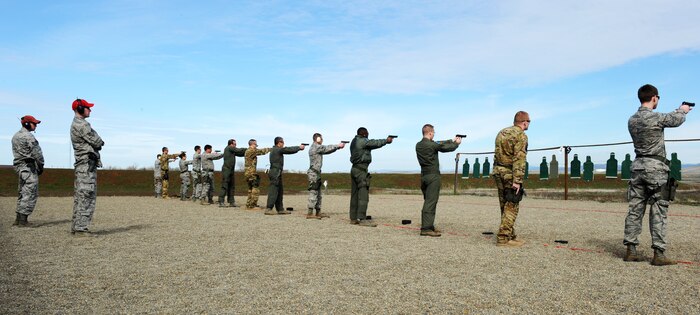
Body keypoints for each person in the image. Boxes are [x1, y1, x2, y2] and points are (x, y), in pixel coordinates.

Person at [624, 84, 692, 266]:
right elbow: (675, 120)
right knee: (659, 209)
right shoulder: (655, 117)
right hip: (655, 168)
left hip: (637, 167)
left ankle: (631, 250)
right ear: (654, 98)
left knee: (635, 208)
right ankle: (658, 254)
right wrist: (683, 109)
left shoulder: (632, 120)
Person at [492, 111, 530, 247]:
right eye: (529, 121)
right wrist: (517, 180)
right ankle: (503, 238)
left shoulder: (501, 133)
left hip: (498, 171)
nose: (529, 124)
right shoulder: (521, 135)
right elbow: (519, 158)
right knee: (512, 205)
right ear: (524, 122)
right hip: (510, 173)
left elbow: (497, 154)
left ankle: (509, 234)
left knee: (504, 204)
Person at [415, 124, 461, 236]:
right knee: (431, 202)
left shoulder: (419, 145)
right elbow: (445, 148)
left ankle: (429, 225)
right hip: (433, 177)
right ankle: (426, 228)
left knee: (429, 201)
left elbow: (438, 143)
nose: (434, 134)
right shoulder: (431, 145)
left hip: (424, 176)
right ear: (430, 133)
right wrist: (456, 144)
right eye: (433, 132)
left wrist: (451, 139)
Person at [70, 98, 104, 235]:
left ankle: (77, 227)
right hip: (86, 165)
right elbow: (98, 142)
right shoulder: (82, 125)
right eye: (87, 107)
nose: (90, 110)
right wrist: (99, 141)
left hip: (84, 164)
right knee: (86, 195)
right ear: (80, 109)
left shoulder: (79, 124)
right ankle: (80, 228)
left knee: (81, 196)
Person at [349, 127, 393, 227]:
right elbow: (374, 143)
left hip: (355, 169)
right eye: (367, 133)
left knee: (355, 195)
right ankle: (362, 218)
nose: (368, 135)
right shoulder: (362, 141)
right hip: (361, 171)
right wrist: (386, 141)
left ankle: (353, 218)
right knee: (363, 195)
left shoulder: (354, 141)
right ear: (364, 134)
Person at [11, 115, 44, 226]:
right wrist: (41, 166)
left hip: (19, 167)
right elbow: (37, 154)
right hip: (29, 167)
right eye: (34, 123)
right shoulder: (28, 136)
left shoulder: (15, 136)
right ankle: (23, 220)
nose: (35, 126)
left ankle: (18, 219)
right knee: (30, 193)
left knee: (22, 192)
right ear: (27, 124)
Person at [306, 133, 344, 219]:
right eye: (321, 138)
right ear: (318, 139)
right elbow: (326, 149)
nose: (322, 140)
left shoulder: (317, 147)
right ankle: (310, 213)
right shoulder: (316, 147)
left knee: (319, 194)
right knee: (313, 192)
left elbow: (327, 150)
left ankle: (318, 212)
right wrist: (338, 146)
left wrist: (337, 147)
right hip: (314, 173)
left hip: (317, 173)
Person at [264, 137, 305, 215]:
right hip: (275, 172)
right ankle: (268, 208)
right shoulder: (277, 149)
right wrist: (299, 148)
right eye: (283, 142)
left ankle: (280, 209)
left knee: (279, 191)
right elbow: (288, 150)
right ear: (279, 143)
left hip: (277, 172)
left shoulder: (275, 149)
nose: (284, 144)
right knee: (273, 191)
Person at [244, 139, 271, 210]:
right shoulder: (251, 151)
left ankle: (249, 204)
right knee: (255, 189)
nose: (256, 146)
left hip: (248, 173)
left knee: (250, 189)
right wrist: (271, 149)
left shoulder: (248, 151)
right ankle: (252, 205)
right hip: (251, 173)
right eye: (256, 145)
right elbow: (261, 151)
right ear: (252, 144)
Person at [219, 139, 246, 207]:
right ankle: (221, 201)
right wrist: (248, 148)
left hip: (231, 170)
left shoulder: (232, 150)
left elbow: (240, 153)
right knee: (224, 186)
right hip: (226, 170)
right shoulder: (229, 148)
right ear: (230, 144)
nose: (235, 145)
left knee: (231, 186)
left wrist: (249, 152)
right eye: (234, 144)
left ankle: (231, 202)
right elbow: (239, 150)